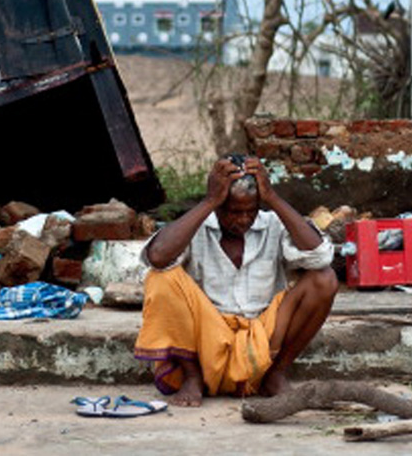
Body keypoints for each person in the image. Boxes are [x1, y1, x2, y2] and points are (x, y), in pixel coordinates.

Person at [133, 154, 338, 406]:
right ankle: (192, 377)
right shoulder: (195, 226)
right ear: (218, 204)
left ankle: (276, 374)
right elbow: (157, 257)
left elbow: (321, 257)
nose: (242, 219)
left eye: (250, 211)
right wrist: (208, 201)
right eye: (232, 211)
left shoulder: (273, 224)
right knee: (161, 278)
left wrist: (272, 197)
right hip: (207, 341)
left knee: (324, 279)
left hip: (263, 338)